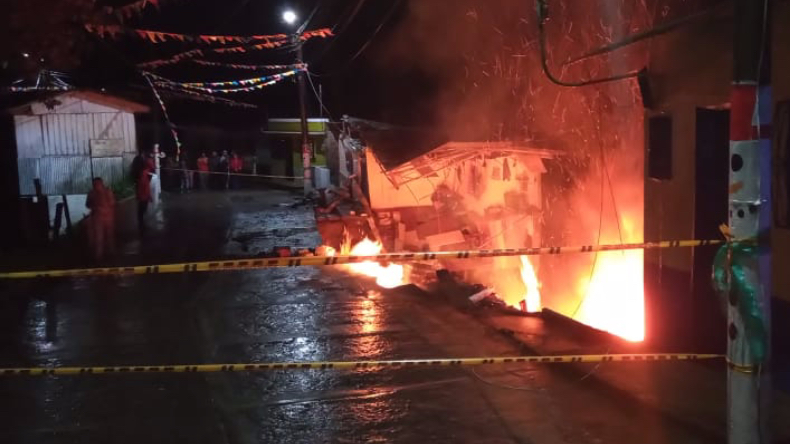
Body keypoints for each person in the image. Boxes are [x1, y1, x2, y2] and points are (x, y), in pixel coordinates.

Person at [86, 177, 116, 261]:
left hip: (108, 218)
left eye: (98, 184)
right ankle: (99, 256)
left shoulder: (107, 191)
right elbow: (87, 204)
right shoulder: (91, 193)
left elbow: (112, 203)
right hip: (97, 218)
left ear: (102, 184)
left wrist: (103, 208)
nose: (96, 186)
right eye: (94, 184)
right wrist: (95, 207)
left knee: (109, 236)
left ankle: (111, 254)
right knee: (99, 237)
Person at [136, 164, 153, 234]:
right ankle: (141, 225)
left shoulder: (143, 176)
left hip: (143, 197)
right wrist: (148, 196)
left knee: (142, 211)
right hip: (143, 197)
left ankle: (142, 224)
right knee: (142, 211)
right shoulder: (144, 177)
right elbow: (145, 188)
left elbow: (144, 188)